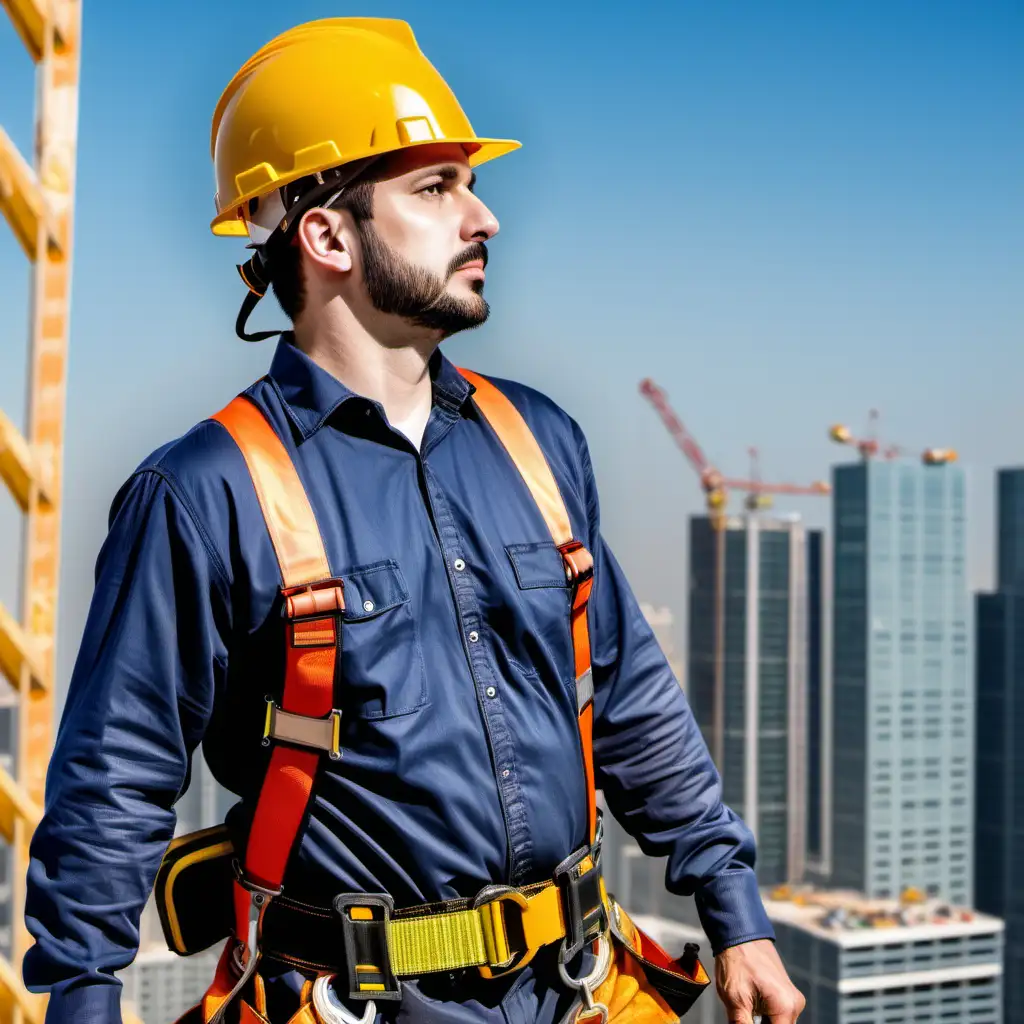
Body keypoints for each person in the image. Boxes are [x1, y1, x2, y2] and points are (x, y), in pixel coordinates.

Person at [22, 18, 806, 1024]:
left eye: (471, 185)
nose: (483, 217)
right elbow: (112, 788)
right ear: (328, 234)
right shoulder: (209, 492)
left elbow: (625, 693)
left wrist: (735, 911)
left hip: (575, 988)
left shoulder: (536, 438)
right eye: (435, 189)